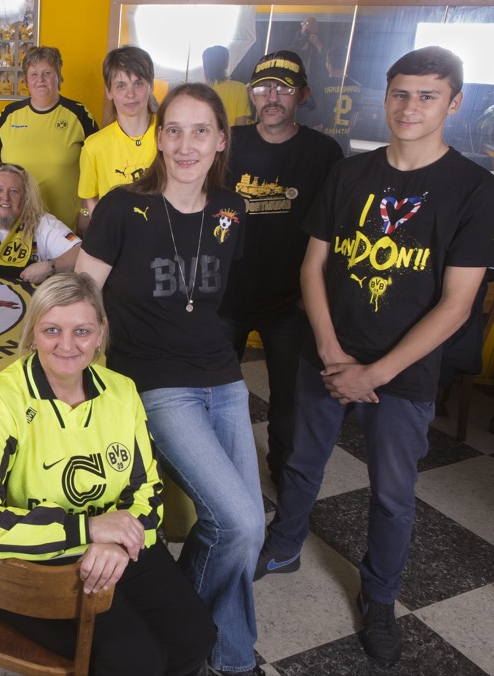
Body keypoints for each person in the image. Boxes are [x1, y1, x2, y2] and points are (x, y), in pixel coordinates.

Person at [255, 47, 494, 667]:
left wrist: (376, 373)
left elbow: (458, 304)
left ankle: (381, 597)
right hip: (328, 354)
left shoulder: (473, 189)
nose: (410, 107)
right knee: (303, 465)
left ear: (454, 102)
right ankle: (282, 547)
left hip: (405, 373)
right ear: (385, 97)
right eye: (400, 93)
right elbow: (313, 266)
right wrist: (334, 353)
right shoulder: (350, 174)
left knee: (393, 493)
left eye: (427, 96)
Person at [76, 84, 265, 675]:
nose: (186, 144)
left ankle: (224, 653)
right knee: (237, 521)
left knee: (247, 530)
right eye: (175, 130)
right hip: (153, 382)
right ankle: (195, 634)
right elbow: (81, 296)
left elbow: (217, 299)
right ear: (159, 138)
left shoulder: (232, 211)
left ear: (220, 141)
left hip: (224, 378)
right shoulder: (120, 206)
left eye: (200, 130)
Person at [0, 273, 215, 676]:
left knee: (196, 638)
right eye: (52, 330)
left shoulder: (121, 391)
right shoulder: (2, 400)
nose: (67, 345)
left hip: (117, 544)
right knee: (138, 661)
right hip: (36, 562)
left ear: (101, 332)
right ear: (33, 332)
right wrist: (86, 530)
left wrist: (118, 544)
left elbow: (148, 490)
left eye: (82, 330)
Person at [221, 50, 343, 484]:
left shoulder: (324, 152)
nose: (271, 97)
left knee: (289, 397)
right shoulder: (229, 143)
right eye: (262, 87)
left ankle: (284, 471)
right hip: (227, 294)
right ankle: (216, 464)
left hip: (291, 300)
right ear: (251, 94)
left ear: (302, 95)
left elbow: (334, 229)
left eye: (283, 89)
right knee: (214, 389)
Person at [0, 46, 98, 231]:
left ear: (59, 77)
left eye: (47, 73)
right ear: (26, 80)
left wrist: (86, 211)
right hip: (15, 226)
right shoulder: (9, 114)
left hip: (65, 225)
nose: (40, 80)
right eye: (34, 74)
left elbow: (96, 167)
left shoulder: (78, 113)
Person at [77, 46, 158, 235]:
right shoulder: (94, 146)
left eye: (138, 84)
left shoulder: (169, 136)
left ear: (151, 86)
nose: (130, 94)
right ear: (109, 91)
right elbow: (92, 200)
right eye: (121, 86)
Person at [312, 44, 362, 155]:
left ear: (328, 61)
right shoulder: (357, 87)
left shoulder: (319, 87)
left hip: (323, 145)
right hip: (343, 144)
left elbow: (317, 125)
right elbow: (353, 122)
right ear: (348, 61)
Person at [202, 45, 250, 126]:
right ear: (226, 63)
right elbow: (241, 126)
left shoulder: (199, 91)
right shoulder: (239, 88)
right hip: (231, 138)